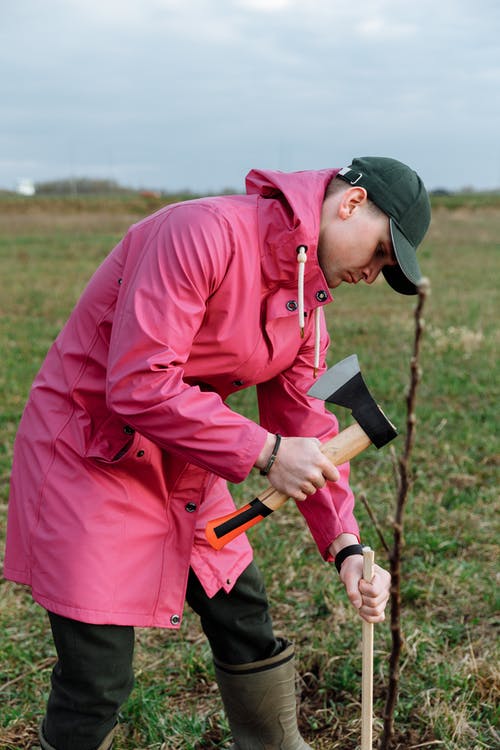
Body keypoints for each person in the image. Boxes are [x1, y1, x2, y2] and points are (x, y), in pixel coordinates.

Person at [3, 156, 431, 750]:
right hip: (90, 460)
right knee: (97, 677)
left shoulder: (307, 299)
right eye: (383, 253)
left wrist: (347, 547)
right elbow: (138, 384)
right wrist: (264, 450)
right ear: (352, 205)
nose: (376, 272)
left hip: (188, 465)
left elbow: (307, 421)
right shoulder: (201, 232)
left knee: (245, 620)